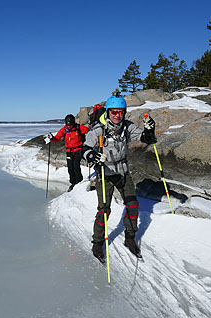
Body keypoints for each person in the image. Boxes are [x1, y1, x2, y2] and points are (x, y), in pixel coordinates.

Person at [82, 95, 156, 260]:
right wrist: (92, 155)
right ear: (108, 112)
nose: (117, 115)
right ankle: (97, 242)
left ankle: (129, 237)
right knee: (104, 210)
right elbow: (85, 148)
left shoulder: (126, 127)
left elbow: (145, 138)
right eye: (114, 112)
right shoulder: (99, 130)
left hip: (122, 171)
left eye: (121, 112)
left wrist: (150, 130)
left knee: (132, 205)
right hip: (104, 173)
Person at [44, 114, 89, 192]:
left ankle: (79, 183)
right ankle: (73, 183)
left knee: (76, 167)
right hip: (69, 151)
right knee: (70, 168)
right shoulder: (64, 129)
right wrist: (52, 138)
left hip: (78, 150)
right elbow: (57, 138)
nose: (69, 126)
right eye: (67, 125)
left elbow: (89, 131)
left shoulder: (79, 127)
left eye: (70, 125)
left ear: (73, 122)